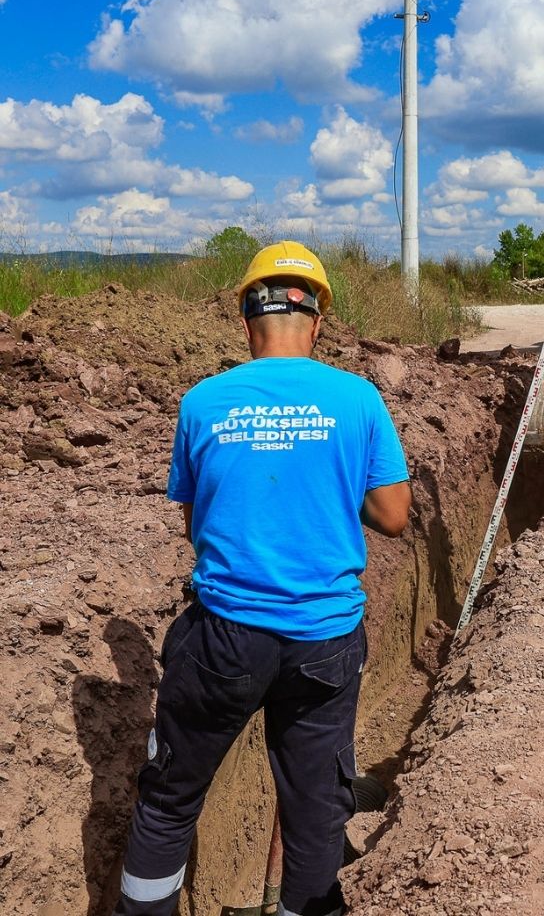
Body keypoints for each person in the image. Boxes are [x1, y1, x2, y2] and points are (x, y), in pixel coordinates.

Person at [112, 241, 412, 916]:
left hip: (222, 640)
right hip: (324, 643)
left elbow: (199, 522)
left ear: (248, 321)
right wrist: (335, 484)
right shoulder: (357, 399)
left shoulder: (203, 401)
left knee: (167, 804)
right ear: (317, 321)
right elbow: (394, 517)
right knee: (313, 817)